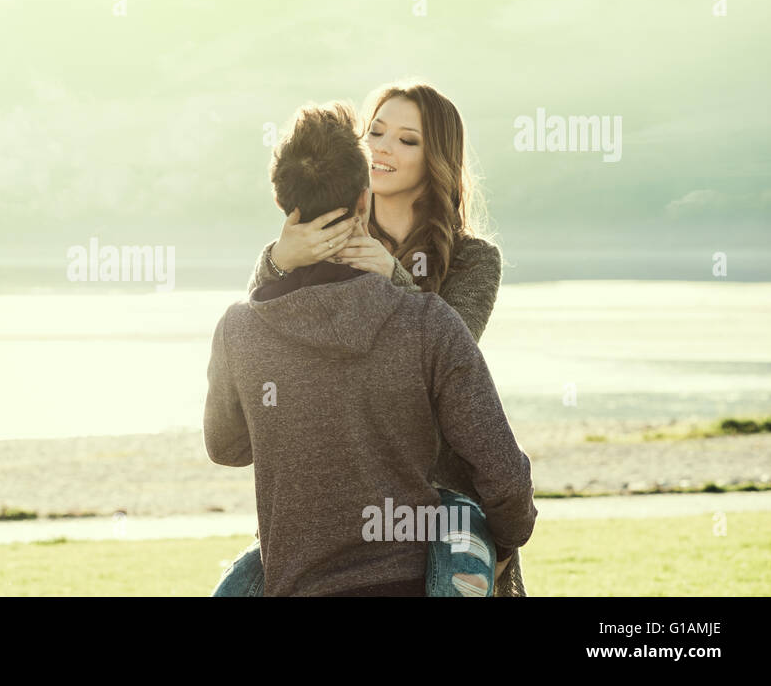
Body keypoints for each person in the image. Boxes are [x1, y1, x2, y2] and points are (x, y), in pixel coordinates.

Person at [203, 98, 536, 596]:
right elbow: (505, 472)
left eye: (407, 140)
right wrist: (277, 258)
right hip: (371, 546)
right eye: (375, 133)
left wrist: (392, 275)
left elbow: (230, 435)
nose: (383, 148)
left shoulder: (469, 261)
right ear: (361, 193)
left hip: (433, 520)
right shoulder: (419, 317)